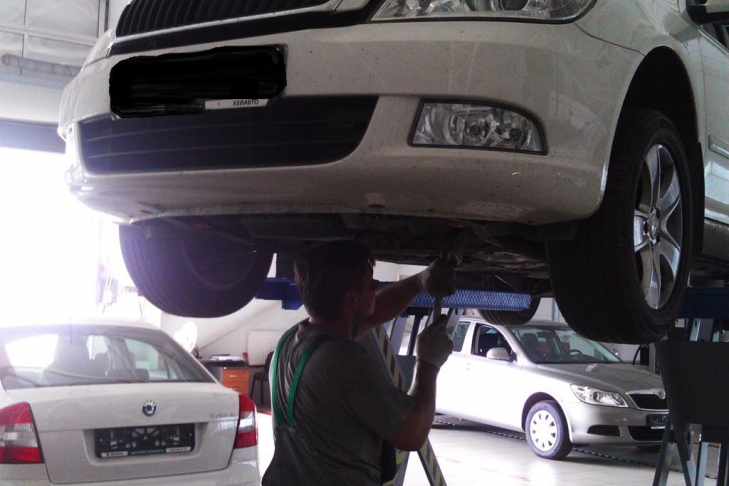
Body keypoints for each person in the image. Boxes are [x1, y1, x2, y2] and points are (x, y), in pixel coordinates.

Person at [262, 240, 455, 486]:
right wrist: (428, 362)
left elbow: (372, 315)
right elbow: (412, 434)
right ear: (351, 301)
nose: (376, 285)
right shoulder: (345, 361)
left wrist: (420, 281)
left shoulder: (291, 341)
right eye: (370, 283)